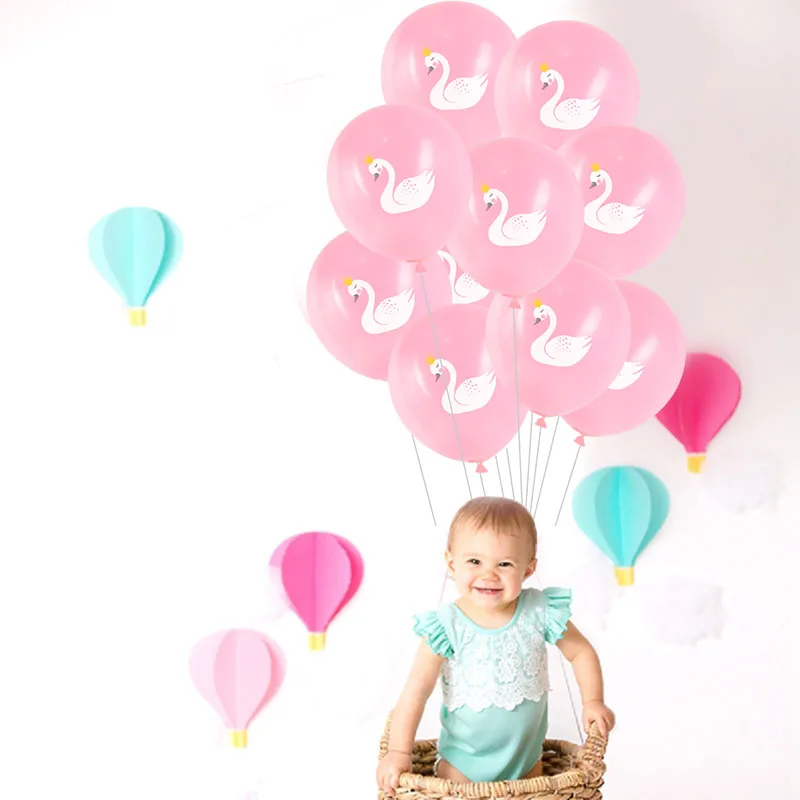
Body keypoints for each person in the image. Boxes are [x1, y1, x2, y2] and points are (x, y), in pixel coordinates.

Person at [376, 497, 615, 795]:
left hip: (527, 765)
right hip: (461, 767)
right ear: (452, 563)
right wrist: (399, 752)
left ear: (528, 570)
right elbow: (416, 691)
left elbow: (580, 652)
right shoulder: (446, 625)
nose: (489, 574)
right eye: (474, 561)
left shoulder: (539, 610)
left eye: (504, 564)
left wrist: (593, 701)